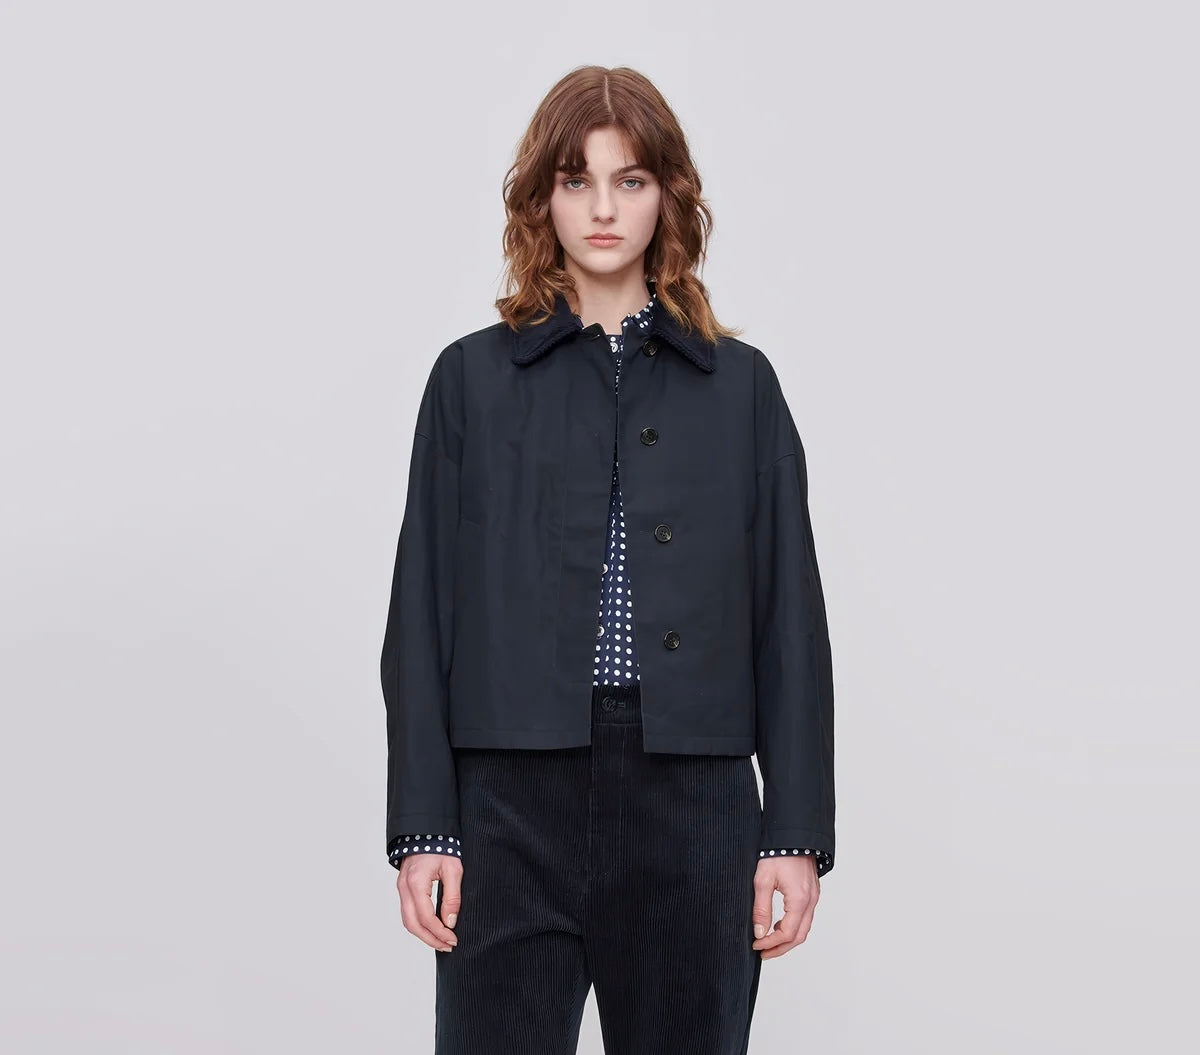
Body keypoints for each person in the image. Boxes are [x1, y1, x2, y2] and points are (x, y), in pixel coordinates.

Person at [380, 64, 836, 1054]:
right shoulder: (468, 381)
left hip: (694, 802)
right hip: (510, 799)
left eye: (629, 180)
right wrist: (425, 827)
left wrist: (794, 834)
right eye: (576, 179)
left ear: (667, 193)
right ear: (541, 196)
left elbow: (789, 620)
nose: (602, 208)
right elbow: (420, 616)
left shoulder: (742, 389)